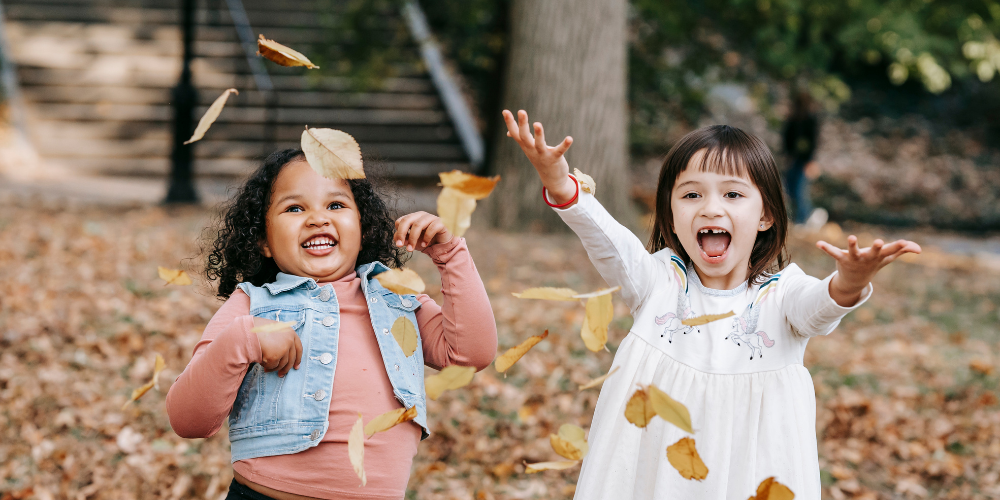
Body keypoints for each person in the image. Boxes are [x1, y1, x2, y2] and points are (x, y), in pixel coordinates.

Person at [502, 110, 920, 499]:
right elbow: (611, 245)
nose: (710, 208)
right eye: (691, 195)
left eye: (733, 194)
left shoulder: (781, 293)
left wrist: (849, 281)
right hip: (657, 466)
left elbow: (818, 307)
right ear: (670, 213)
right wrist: (561, 186)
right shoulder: (659, 281)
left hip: (752, 468)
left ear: (766, 216)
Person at [166, 149, 497, 500]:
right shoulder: (253, 305)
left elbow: (469, 355)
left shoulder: (395, 297)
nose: (317, 219)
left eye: (336, 205)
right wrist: (244, 338)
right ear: (263, 240)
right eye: (295, 208)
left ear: (364, 227)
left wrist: (450, 254)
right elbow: (188, 420)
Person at [782, 92, 820, 224]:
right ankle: (796, 218)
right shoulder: (792, 120)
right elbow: (787, 139)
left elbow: (813, 142)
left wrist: (810, 161)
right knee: (790, 188)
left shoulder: (810, 120)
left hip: (804, 160)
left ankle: (803, 219)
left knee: (799, 189)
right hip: (793, 159)